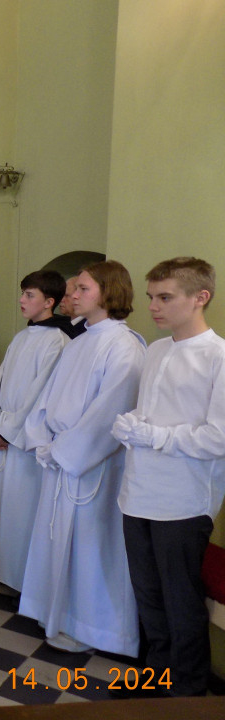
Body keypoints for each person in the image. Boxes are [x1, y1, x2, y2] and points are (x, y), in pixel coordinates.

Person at [19, 260, 145, 655]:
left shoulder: (124, 345)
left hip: (92, 466)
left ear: (108, 293)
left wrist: (65, 451)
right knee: (60, 543)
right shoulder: (81, 339)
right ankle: (59, 615)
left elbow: (111, 412)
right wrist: (42, 440)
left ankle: (95, 628)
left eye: (82, 289)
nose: (72, 296)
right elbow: (47, 400)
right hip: (61, 457)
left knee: (91, 550)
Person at [114, 257, 225, 697]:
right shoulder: (157, 350)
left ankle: (187, 693)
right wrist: (132, 426)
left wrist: (152, 435)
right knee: (148, 597)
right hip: (138, 491)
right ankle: (153, 677)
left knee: (181, 602)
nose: (154, 307)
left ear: (201, 297)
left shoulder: (218, 357)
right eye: (151, 297)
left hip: (183, 499)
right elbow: (152, 414)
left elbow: (217, 438)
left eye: (165, 297)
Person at [0, 271, 72, 592]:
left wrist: (9, 431)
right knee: (5, 507)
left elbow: (40, 394)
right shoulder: (22, 337)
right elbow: (0, 384)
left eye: (29, 295)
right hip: (6, 433)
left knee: (23, 508)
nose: (21, 300)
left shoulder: (58, 340)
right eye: (22, 294)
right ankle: (1, 570)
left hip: (26, 441)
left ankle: (21, 580)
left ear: (49, 302)